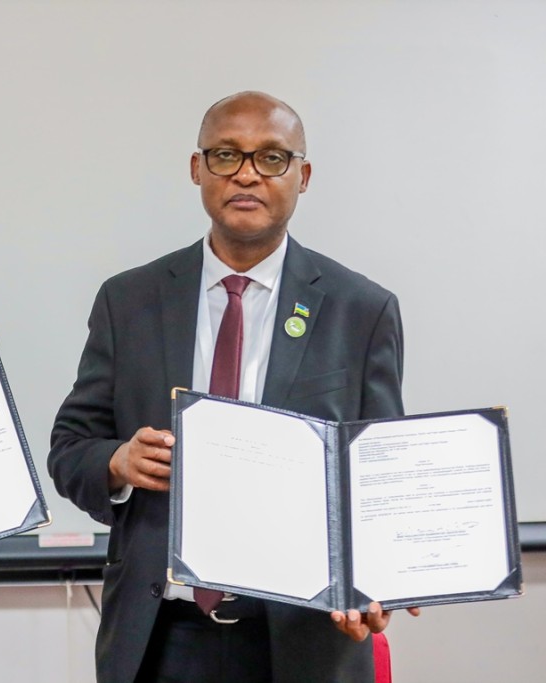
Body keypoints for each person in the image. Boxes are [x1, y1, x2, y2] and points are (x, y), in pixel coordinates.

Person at [48, 91, 417, 683]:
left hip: (304, 642)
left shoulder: (361, 310)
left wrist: (379, 581)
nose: (247, 174)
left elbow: (380, 478)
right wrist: (118, 462)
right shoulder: (129, 299)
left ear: (303, 176)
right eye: (226, 154)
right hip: (160, 640)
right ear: (197, 169)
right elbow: (71, 447)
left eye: (272, 157)